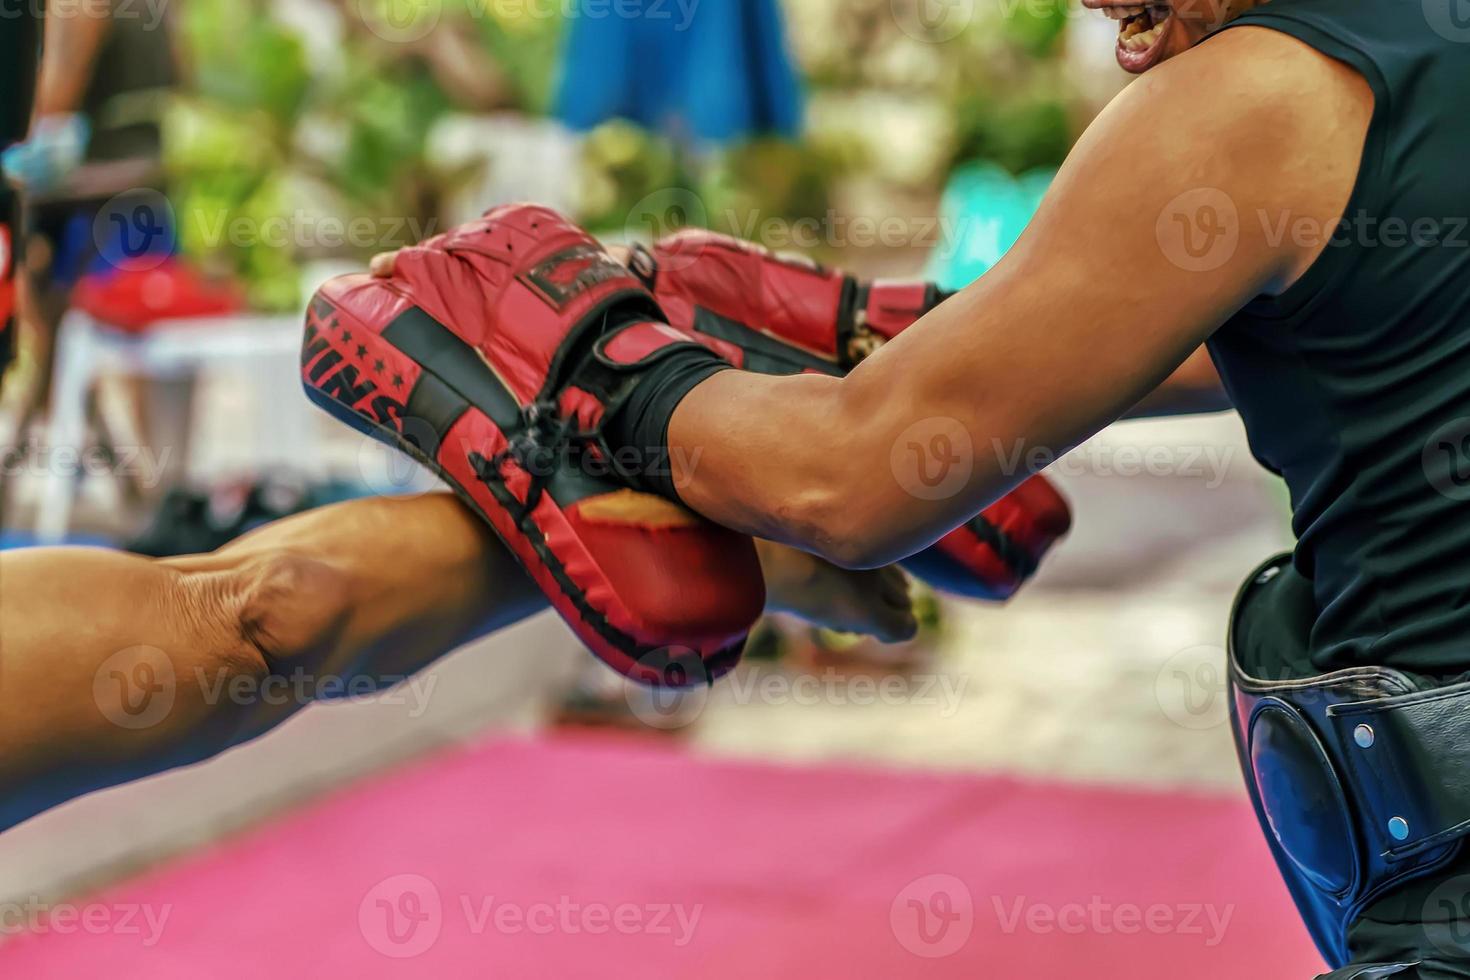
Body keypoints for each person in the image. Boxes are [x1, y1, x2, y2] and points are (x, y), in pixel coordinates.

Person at [353, 0, 1470, 976]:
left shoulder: (1259, 92)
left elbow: (848, 482)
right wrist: (914, 343)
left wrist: (593, 360)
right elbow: (1325, 313)